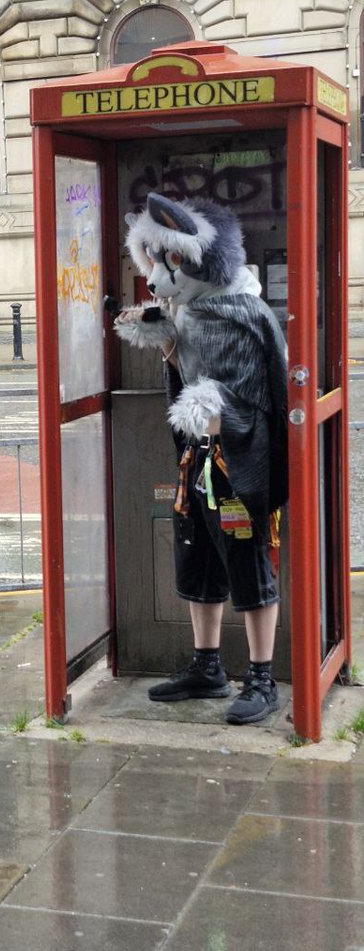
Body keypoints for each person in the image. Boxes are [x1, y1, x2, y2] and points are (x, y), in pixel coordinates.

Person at [115, 193, 287, 726]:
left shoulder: (243, 311)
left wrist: (213, 412)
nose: (159, 277)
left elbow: (254, 396)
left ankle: (262, 677)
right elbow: (187, 378)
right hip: (198, 462)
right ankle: (207, 666)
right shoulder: (188, 310)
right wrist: (163, 339)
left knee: (247, 565)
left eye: (168, 262)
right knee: (197, 559)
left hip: (237, 462)